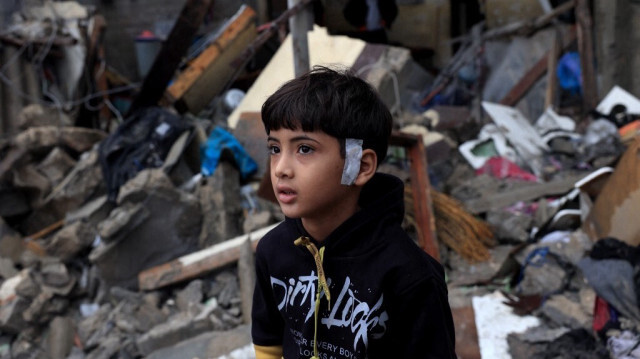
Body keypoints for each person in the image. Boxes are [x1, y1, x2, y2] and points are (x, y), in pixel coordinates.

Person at [251, 66, 456, 359]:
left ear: (359, 167)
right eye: (274, 148)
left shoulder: (410, 276)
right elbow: (268, 345)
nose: (281, 168)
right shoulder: (274, 251)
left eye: (305, 149)